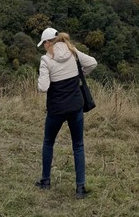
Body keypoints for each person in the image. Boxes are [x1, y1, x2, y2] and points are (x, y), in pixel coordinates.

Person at [35, 27, 97, 198]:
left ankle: (45, 181)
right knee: (78, 145)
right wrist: (79, 75)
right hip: (76, 106)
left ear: (48, 43)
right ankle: (80, 188)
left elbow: (43, 87)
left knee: (48, 142)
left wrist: (43, 76)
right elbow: (92, 63)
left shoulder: (46, 60)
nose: (44, 47)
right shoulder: (72, 50)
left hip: (56, 108)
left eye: (44, 44)